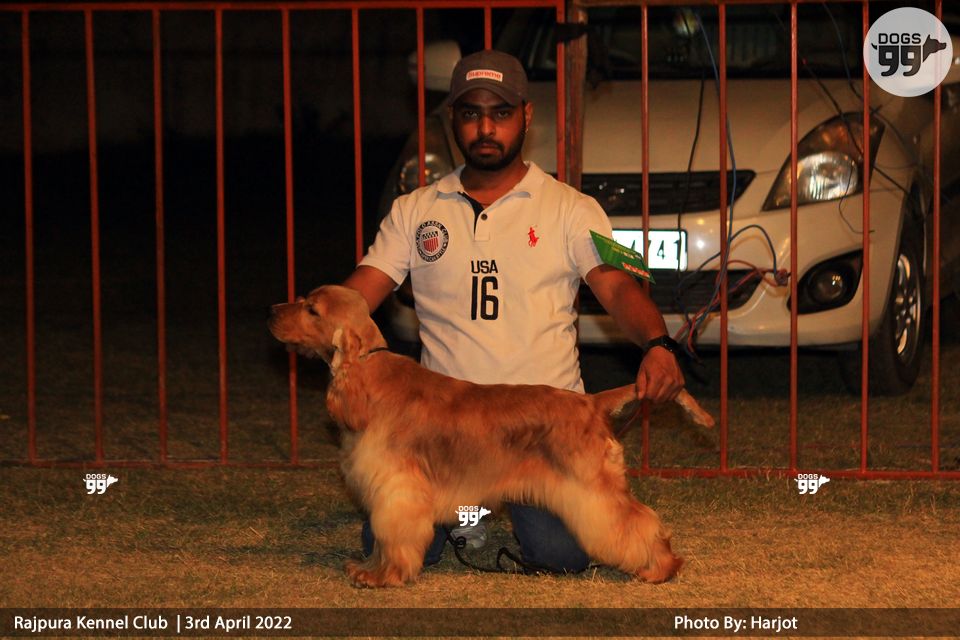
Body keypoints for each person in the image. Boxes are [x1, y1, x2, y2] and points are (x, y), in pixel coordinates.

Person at [342, 49, 684, 574]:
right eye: (471, 113)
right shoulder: (414, 210)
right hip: (443, 430)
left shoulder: (572, 208)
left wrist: (657, 344)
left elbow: (618, 288)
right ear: (451, 120)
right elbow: (359, 294)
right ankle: (468, 510)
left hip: (538, 428)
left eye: (500, 113)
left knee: (561, 557)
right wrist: (315, 314)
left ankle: (481, 511)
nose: (485, 128)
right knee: (387, 541)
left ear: (526, 116)